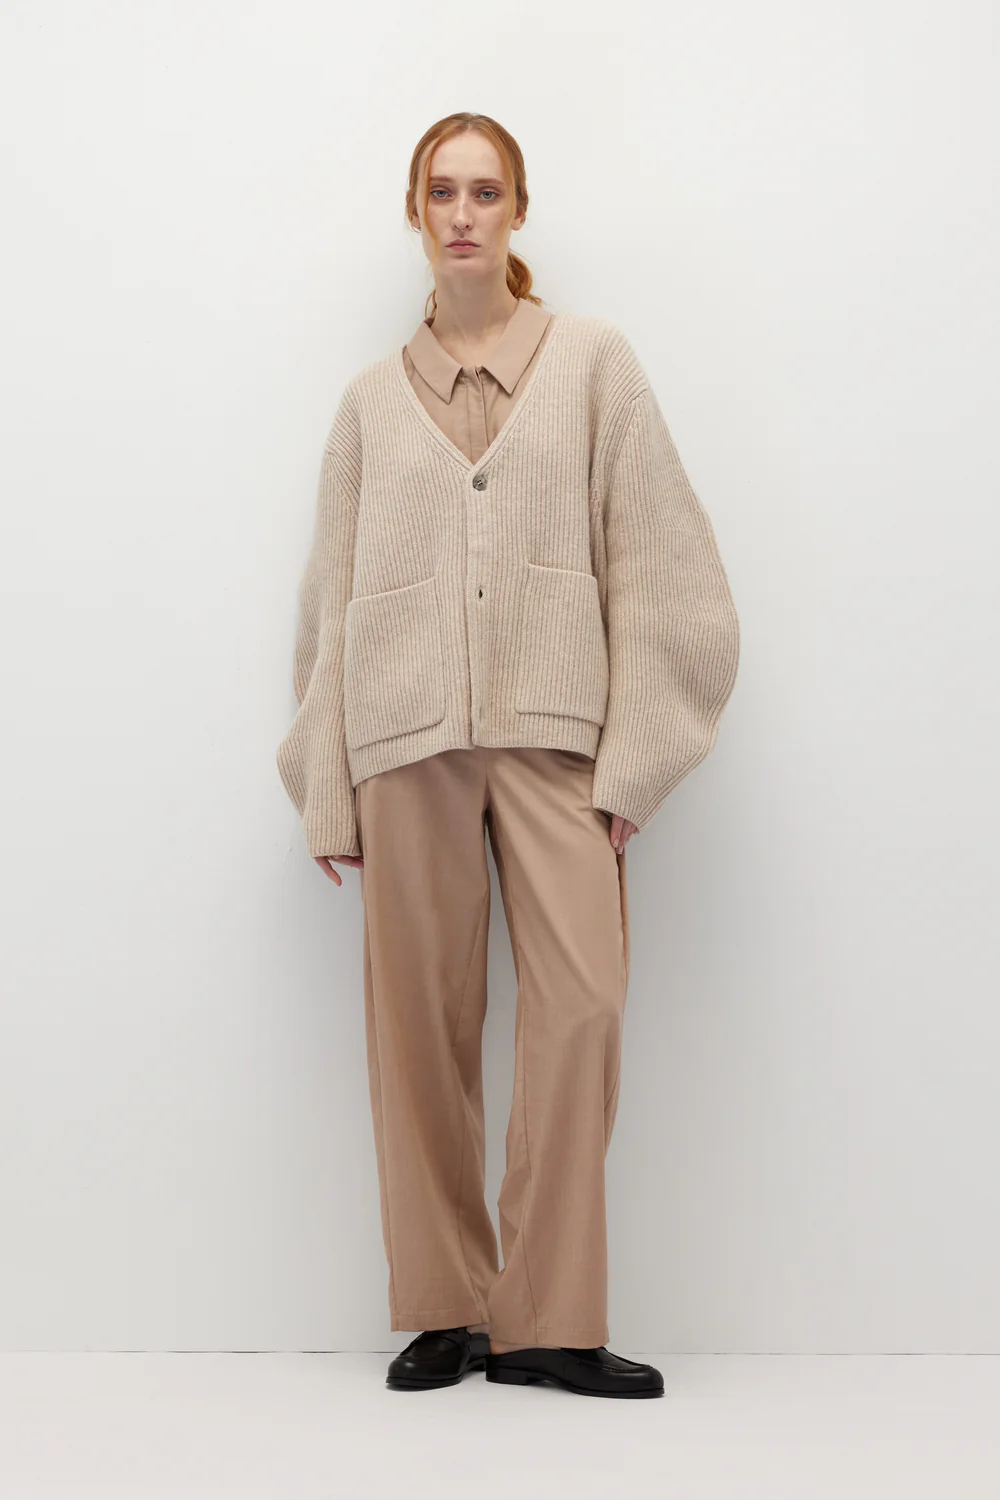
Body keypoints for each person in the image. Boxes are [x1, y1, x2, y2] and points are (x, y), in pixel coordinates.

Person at [276, 112, 740, 1398]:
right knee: (417, 1028)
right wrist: (326, 780)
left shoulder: (593, 365)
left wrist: (638, 758)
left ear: (519, 210)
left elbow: (663, 564)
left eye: (486, 192)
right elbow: (329, 598)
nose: (464, 213)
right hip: (403, 739)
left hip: (556, 743)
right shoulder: (369, 403)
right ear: (415, 212)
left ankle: (546, 1318)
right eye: (442, 192)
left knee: (582, 1007)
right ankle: (444, 1306)